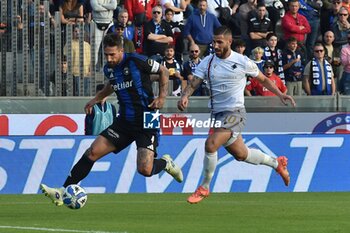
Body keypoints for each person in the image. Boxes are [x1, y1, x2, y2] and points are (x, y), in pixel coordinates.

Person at [40, 33, 183, 206]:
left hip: (147, 118)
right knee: (92, 152)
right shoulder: (109, 69)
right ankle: (63, 191)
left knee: (145, 169)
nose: (109, 58)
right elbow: (111, 85)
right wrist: (97, 98)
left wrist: (162, 97)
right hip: (124, 121)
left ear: (121, 50)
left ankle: (166, 163)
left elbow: (164, 71)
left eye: (112, 54)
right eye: (106, 55)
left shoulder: (136, 61)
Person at [177, 26, 296, 204]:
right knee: (242, 154)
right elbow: (194, 82)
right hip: (217, 114)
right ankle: (276, 163)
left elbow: (262, 79)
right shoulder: (208, 62)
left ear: (229, 42)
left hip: (235, 112)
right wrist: (185, 95)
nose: (215, 45)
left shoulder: (242, 61)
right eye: (214, 41)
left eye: (219, 42)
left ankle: (204, 187)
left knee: (210, 145)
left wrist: (280, 94)